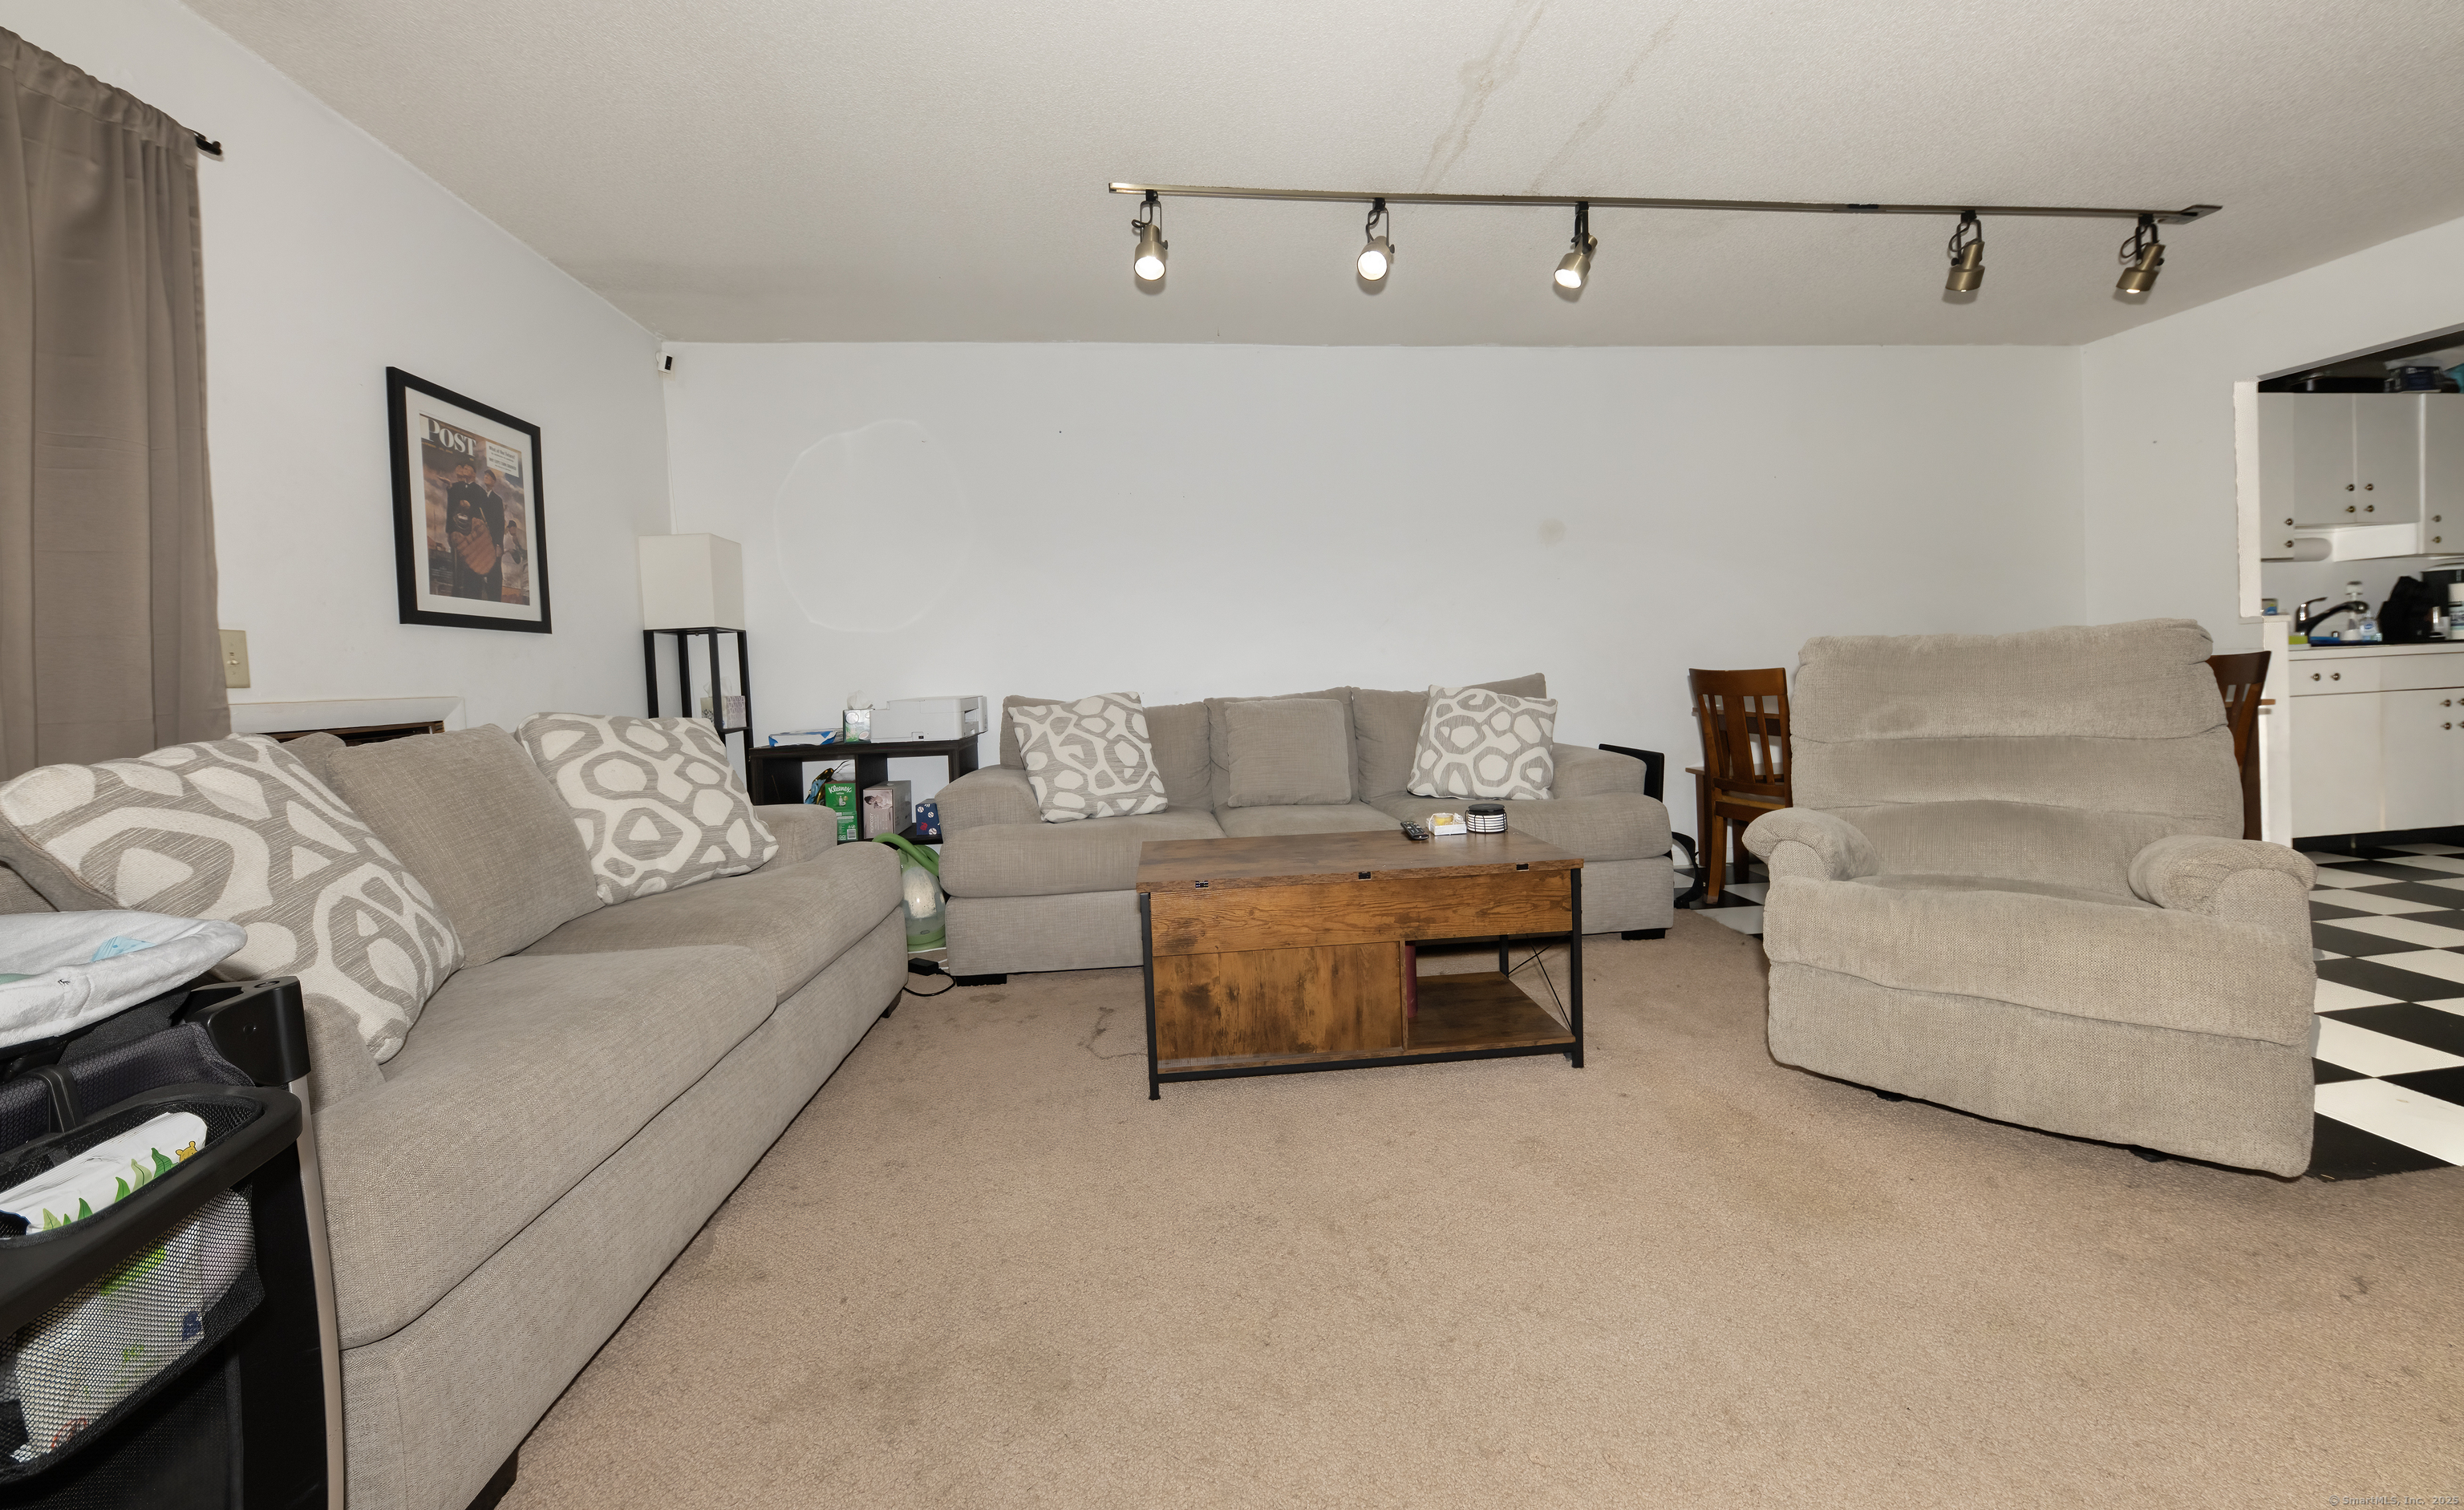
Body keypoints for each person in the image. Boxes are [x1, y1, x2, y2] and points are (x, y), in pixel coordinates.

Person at [443, 461, 502, 601]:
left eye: (468, 468)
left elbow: (483, 514)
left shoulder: (480, 491)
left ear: (474, 473)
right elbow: (451, 509)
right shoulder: (457, 487)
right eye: (464, 467)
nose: (464, 469)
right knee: (457, 568)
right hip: (458, 533)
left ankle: (473, 597)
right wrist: (449, 531)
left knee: (473, 571)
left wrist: (471, 508)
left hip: (473, 535)